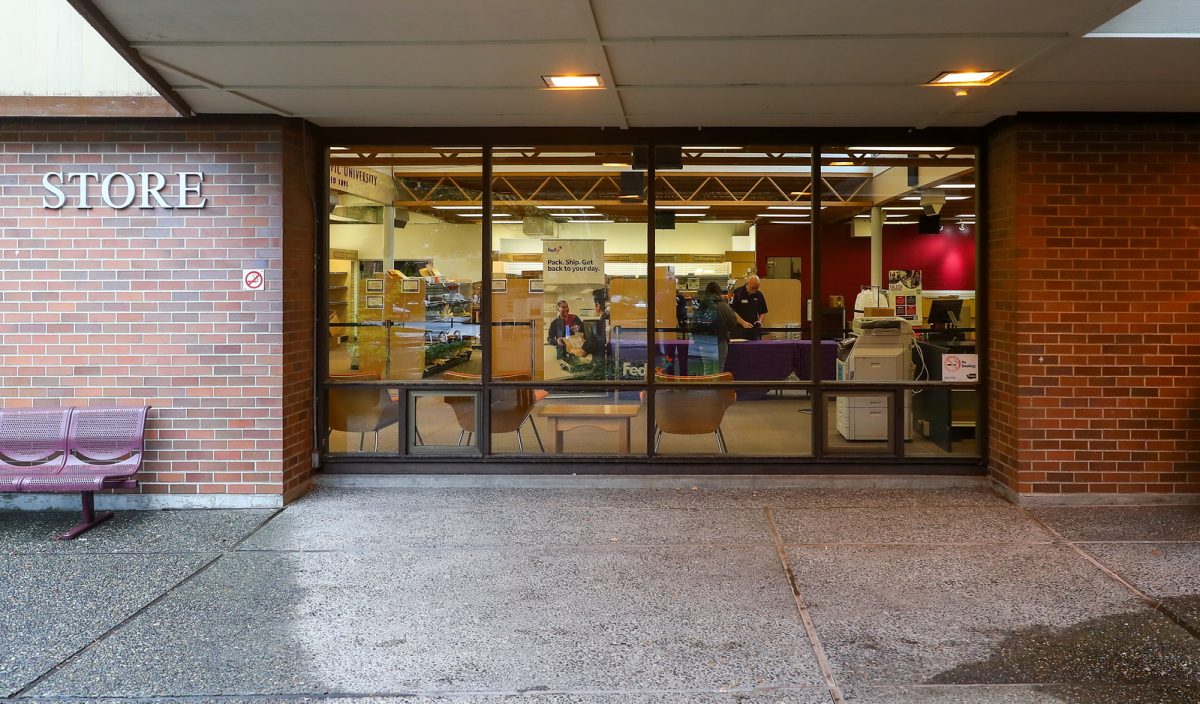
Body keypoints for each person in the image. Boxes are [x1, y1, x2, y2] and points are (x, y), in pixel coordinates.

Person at [692, 281, 751, 375]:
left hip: (704, 342)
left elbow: (694, 322)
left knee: (707, 369)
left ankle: (708, 389)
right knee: (719, 370)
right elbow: (733, 321)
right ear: (719, 292)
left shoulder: (702, 305)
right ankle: (717, 389)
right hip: (719, 341)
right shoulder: (723, 306)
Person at [730, 275, 768, 340]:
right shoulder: (737, 292)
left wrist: (759, 321)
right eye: (753, 288)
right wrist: (743, 323)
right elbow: (732, 311)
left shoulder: (759, 294)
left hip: (753, 330)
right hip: (739, 329)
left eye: (756, 288)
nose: (754, 290)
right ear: (748, 283)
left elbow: (763, 311)